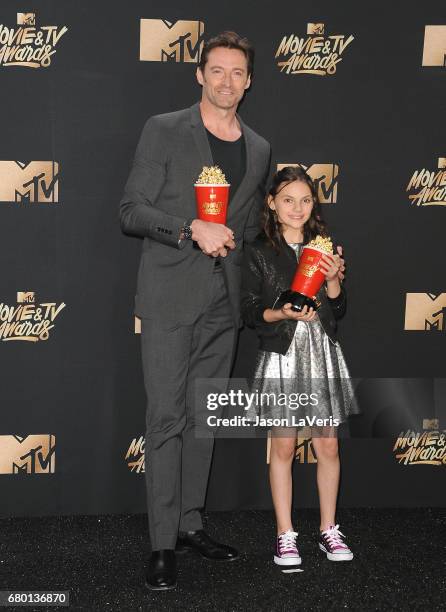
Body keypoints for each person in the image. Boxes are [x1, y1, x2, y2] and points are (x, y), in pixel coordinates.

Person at [120, 31, 271, 590]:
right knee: (166, 420)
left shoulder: (258, 147)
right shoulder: (163, 129)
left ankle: (189, 523)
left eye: (237, 72)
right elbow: (130, 209)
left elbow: (252, 233)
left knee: (204, 420)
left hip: (223, 305)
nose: (227, 81)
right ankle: (162, 544)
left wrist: (309, 263)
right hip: (168, 298)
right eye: (217, 70)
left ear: (249, 80)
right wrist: (188, 228)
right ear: (199, 74)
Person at [240, 166, 359, 568]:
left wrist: (334, 282)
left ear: (314, 204)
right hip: (282, 354)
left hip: (322, 351)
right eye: (288, 200)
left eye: (306, 200)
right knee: (285, 446)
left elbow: (338, 309)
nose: (298, 208)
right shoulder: (257, 249)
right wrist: (281, 312)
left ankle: (329, 529)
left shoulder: (324, 244)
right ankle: (285, 534)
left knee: (328, 444)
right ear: (272, 204)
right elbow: (250, 311)